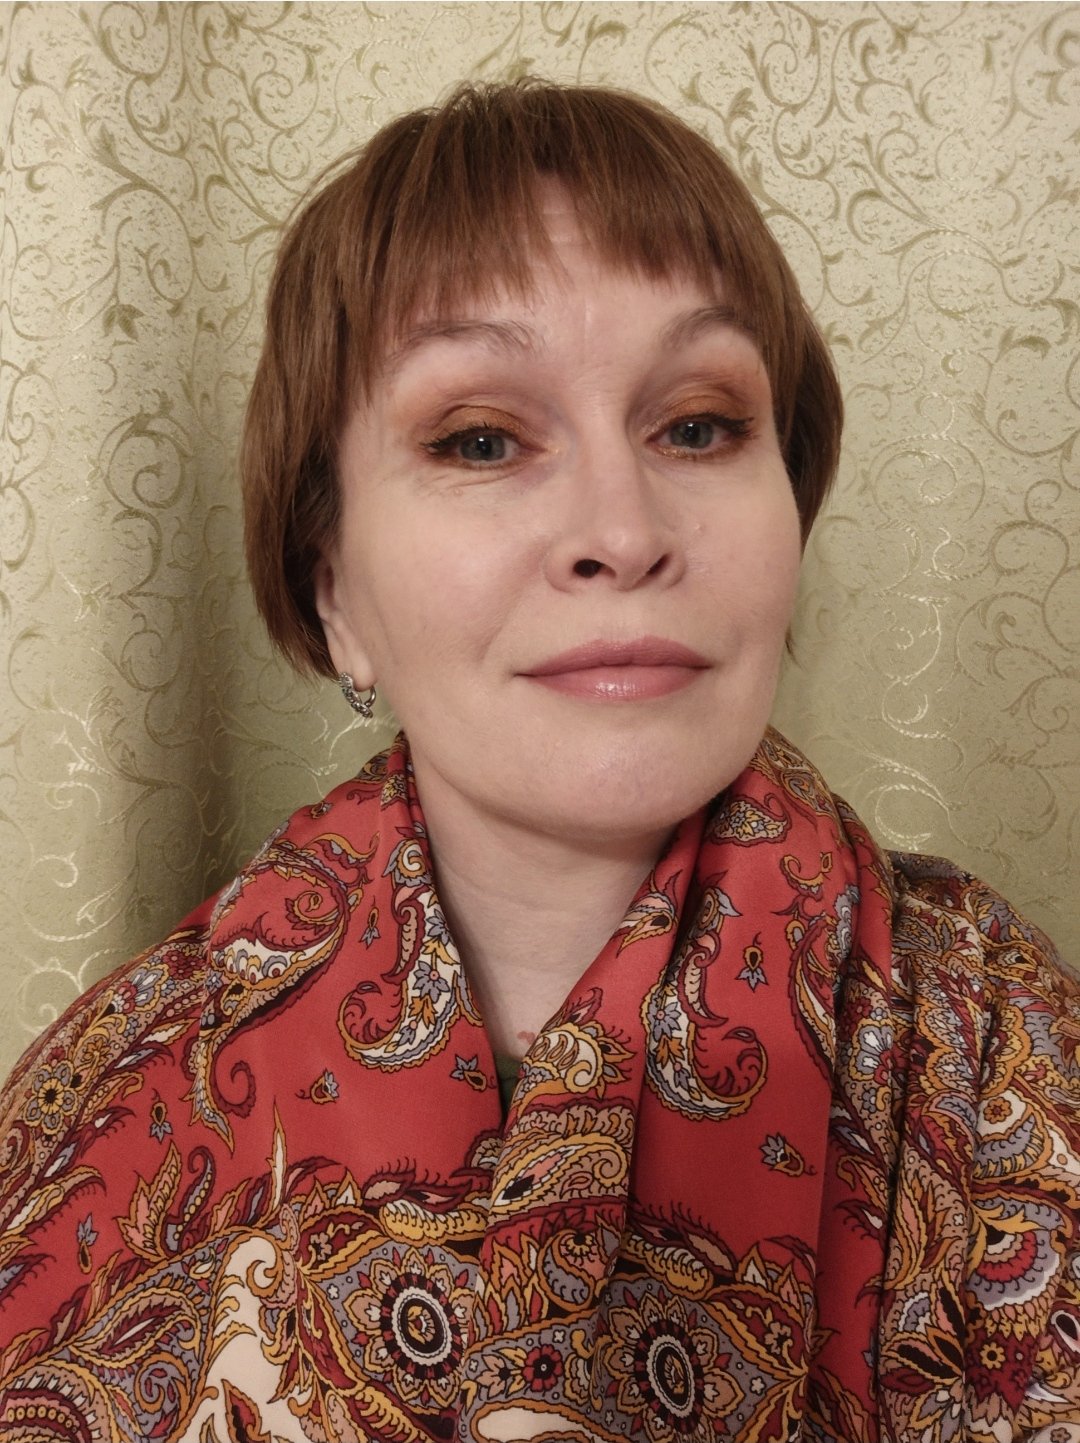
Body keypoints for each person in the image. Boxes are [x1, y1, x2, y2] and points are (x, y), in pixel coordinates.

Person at [0, 78, 1076, 1443]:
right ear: (332, 586)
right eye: (482, 440)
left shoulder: (1000, 1044)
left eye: (698, 424)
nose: (621, 532)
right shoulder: (115, 1086)